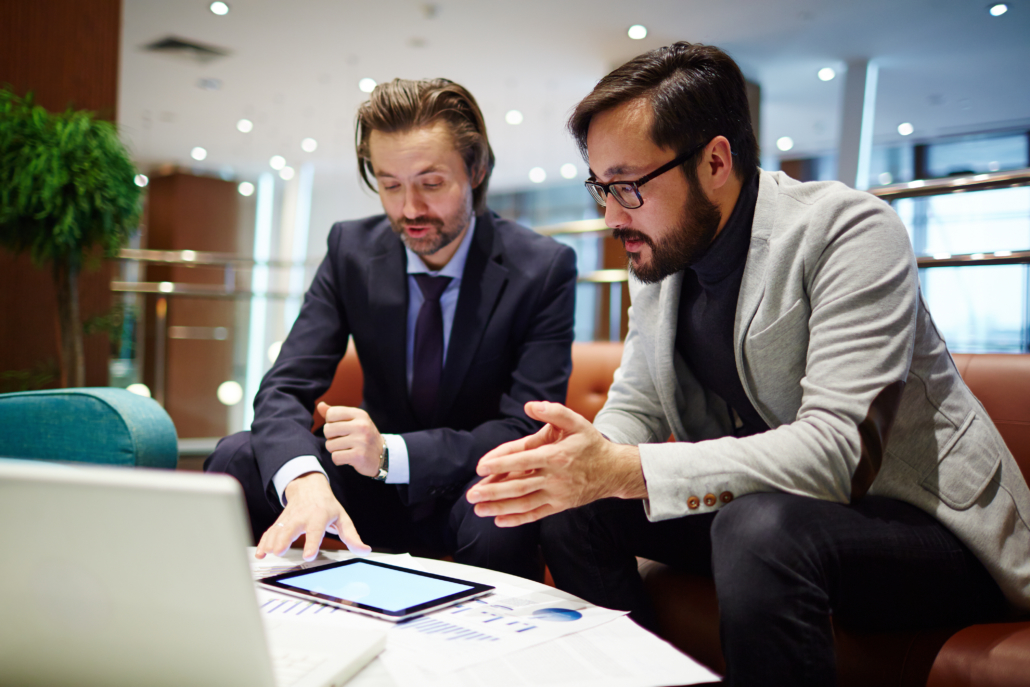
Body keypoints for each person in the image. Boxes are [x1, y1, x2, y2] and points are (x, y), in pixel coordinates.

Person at [465, 42, 1030, 684]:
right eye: (600, 186)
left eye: (627, 186)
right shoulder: (659, 258)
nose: (610, 215)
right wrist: (581, 459)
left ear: (714, 161)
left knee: (755, 528)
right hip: (774, 518)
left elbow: (838, 452)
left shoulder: (850, 230)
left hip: (928, 527)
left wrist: (622, 468)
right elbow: (638, 406)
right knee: (576, 507)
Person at [206, 78, 577, 581]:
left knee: (502, 512)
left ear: (477, 170)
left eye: (431, 183)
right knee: (238, 456)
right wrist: (306, 479)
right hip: (365, 489)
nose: (409, 210)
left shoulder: (544, 267)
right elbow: (285, 387)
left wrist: (390, 454)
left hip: (464, 487)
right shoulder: (350, 251)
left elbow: (523, 427)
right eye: (390, 184)